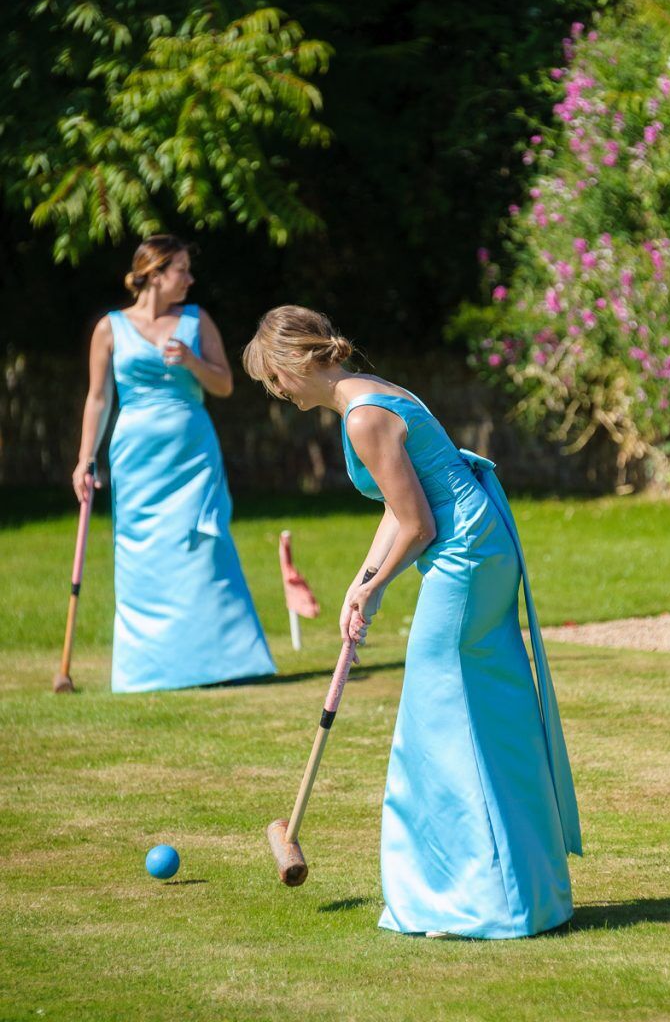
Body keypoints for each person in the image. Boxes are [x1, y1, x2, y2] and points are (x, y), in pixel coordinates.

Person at [243, 304, 582, 940]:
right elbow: (404, 506)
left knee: (439, 719)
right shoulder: (375, 396)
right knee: (483, 713)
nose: (275, 391)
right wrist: (361, 580)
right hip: (481, 545)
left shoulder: (366, 417)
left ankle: (475, 901)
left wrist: (375, 592)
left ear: (295, 362)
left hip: (464, 557)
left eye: (273, 377)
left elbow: (420, 524)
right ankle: (522, 894)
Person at [73, 235, 275, 692]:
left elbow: (224, 384)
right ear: (154, 273)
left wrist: (191, 361)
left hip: (192, 455)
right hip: (136, 458)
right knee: (143, 556)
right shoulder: (110, 328)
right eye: (180, 269)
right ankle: (150, 671)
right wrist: (86, 458)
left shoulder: (196, 320)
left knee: (204, 543)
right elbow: (99, 398)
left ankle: (222, 664)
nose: (189, 278)